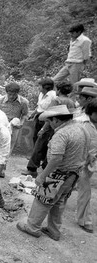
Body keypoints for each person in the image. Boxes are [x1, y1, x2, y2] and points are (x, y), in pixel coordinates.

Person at [16, 105, 85, 241]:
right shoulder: (80, 129)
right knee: (59, 202)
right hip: (73, 174)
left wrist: (42, 175)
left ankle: (32, 227)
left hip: (57, 174)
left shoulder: (62, 134)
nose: (49, 124)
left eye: (50, 121)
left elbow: (56, 159)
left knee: (42, 201)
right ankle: (54, 230)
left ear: (57, 120)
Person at [22, 79, 58, 177]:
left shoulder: (53, 96)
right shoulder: (42, 95)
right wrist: (33, 114)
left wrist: (45, 127)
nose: (38, 88)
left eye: (40, 86)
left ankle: (32, 168)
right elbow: (39, 107)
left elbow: (50, 111)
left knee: (41, 142)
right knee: (37, 141)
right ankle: (42, 164)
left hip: (47, 120)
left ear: (45, 87)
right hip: (39, 118)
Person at [74, 100, 97, 233]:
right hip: (76, 160)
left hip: (90, 163)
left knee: (84, 189)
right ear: (91, 112)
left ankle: (84, 219)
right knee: (62, 188)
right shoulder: (79, 122)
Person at [0, 82, 29, 153]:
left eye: (14, 94)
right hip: (2, 125)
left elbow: (25, 114)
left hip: (14, 127)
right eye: (9, 94)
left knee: (9, 146)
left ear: (17, 93)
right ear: (6, 92)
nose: (11, 96)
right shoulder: (0, 100)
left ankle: (4, 162)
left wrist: (21, 123)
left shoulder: (23, 102)